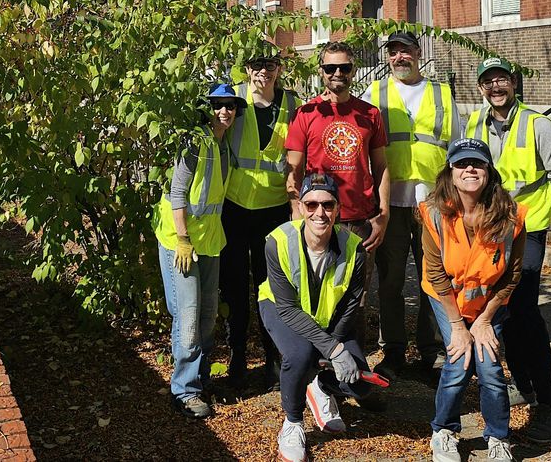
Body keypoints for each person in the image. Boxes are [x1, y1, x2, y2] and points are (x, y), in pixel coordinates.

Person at [464, 57, 551, 444]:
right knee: (503, 311)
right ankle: (524, 386)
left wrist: (534, 213)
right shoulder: (475, 124)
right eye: (488, 81)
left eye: (502, 79)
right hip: (490, 232)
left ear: (513, 83)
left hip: (527, 231)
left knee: (525, 311)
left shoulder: (537, 124)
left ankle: (549, 403)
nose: (496, 86)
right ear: (481, 87)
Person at [422, 137, 526, 462]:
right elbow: (437, 274)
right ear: (450, 171)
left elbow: (512, 275)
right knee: (458, 361)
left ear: (488, 171)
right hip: (447, 301)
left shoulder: (511, 217)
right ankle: (443, 431)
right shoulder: (434, 214)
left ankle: (498, 437)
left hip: (488, 305)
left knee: (490, 366)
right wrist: (457, 326)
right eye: (462, 163)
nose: (470, 168)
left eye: (477, 163)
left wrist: (482, 322)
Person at [258, 173, 374, 462]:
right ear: (300, 207)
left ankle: (320, 387)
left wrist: (332, 347)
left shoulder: (355, 249)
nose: (319, 213)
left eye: (327, 205)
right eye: (311, 205)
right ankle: (293, 422)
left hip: (330, 321)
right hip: (280, 309)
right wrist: (333, 350)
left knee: (359, 384)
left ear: (338, 209)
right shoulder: (278, 242)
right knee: (299, 355)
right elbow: (287, 308)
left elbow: (350, 306)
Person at [367, 30, 461, 379]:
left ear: (418, 53)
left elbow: (455, 145)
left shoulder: (442, 93)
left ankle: (431, 351)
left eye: (405, 51)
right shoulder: (374, 92)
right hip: (390, 201)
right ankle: (392, 352)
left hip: (434, 203)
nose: (399, 58)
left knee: (435, 278)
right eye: (393, 52)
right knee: (390, 280)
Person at [285, 40, 390, 350]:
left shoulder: (369, 114)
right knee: (315, 292)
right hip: (319, 218)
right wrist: (296, 213)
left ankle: (350, 361)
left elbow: (382, 166)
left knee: (356, 297)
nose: (337, 73)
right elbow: (293, 169)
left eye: (344, 67)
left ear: (352, 70)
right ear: (321, 71)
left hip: (360, 219)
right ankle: (316, 361)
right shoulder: (306, 113)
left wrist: (383, 214)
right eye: (331, 68)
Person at [154, 83, 245, 419]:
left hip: (209, 241)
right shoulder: (196, 142)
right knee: (189, 317)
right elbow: (178, 193)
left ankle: (201, 380)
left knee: (206, 316)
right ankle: (185, 391)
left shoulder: (223, 144)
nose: (225, 111)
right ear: (208, 108)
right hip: (181, 241)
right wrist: (181, 238)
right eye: (218, 105)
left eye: (231, 106)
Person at [221, 47, 297, 392]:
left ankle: (274, 359)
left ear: (279, 69)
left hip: (275, 209)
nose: (262, 71)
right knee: (235, 287)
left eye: (269, 64)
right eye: (255, 64)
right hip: (235, 207)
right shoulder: (233, 98)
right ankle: (237, 359)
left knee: (271, 289)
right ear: (246, 67)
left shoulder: (292, 104)